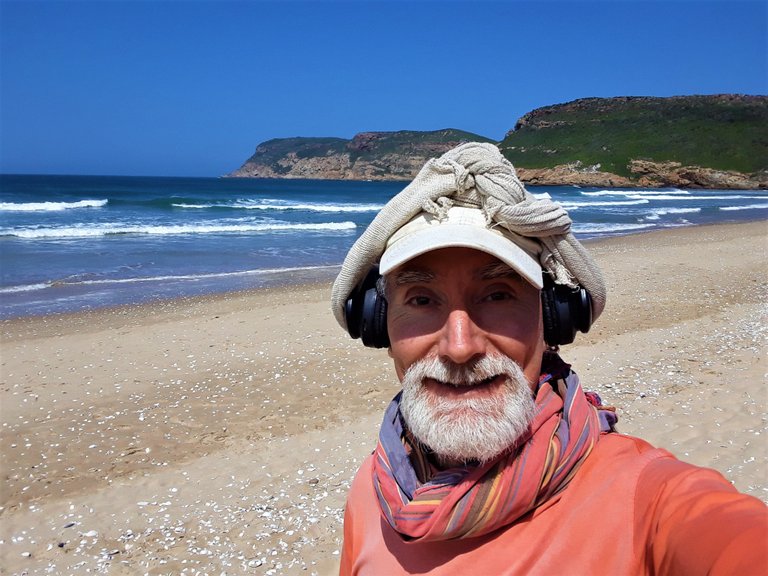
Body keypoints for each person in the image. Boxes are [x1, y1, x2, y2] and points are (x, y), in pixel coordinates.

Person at [329, 142, 768, 575]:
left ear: (553, 320)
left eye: (499, 295)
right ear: (377, 325)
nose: (460, 346)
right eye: (422, 300)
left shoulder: (646, 498)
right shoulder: (373, 491)